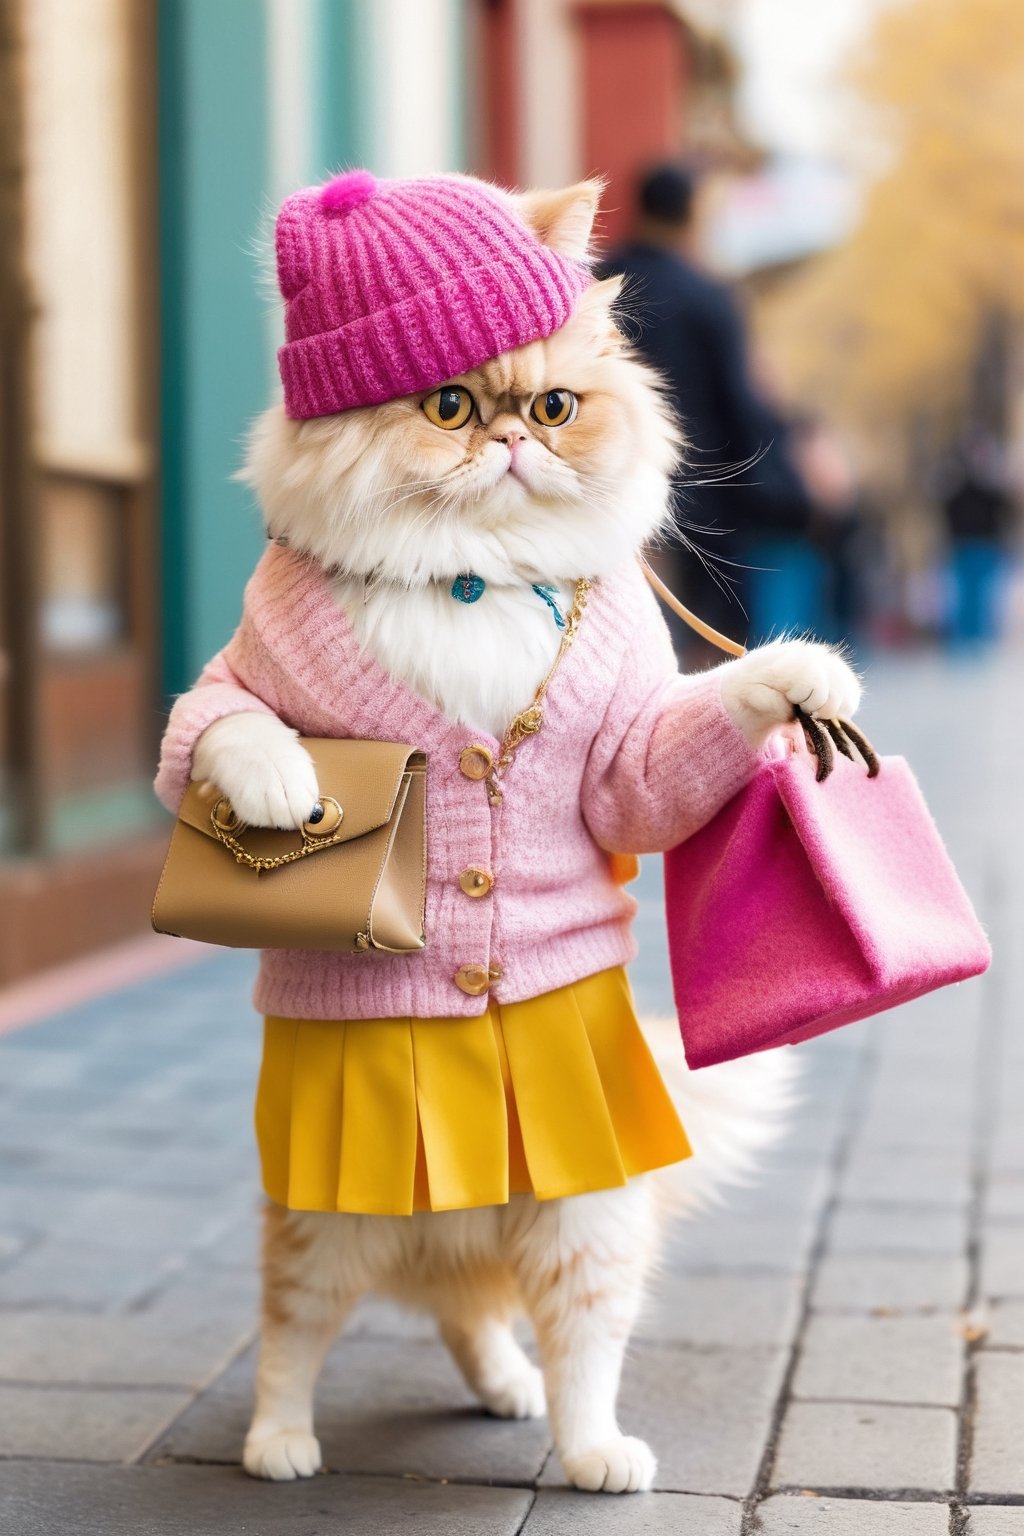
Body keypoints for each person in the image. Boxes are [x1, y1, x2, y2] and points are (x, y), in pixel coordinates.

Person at [602, 163, 815, 653]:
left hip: (610, 486)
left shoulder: (599, 282)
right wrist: (786, 489)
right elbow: (739, 404)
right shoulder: (709, 297)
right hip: (704, 498)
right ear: (690, 216)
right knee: (705, 643)